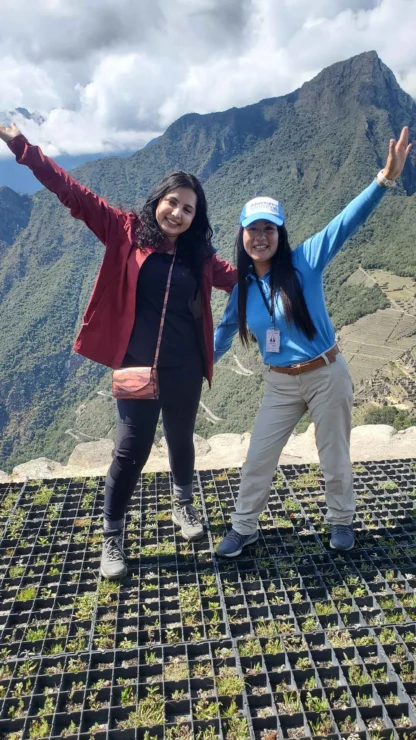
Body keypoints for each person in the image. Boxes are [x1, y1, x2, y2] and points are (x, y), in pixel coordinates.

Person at [0, 122, 237, 579]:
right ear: (158, 201)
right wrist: (23, 148)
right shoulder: (125, 231)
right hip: (137, 367)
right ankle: (112, 537)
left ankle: (183, 506)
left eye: (188, 209)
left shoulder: (200, 258)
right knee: (131, 452)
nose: (178, 213)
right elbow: (73, 192)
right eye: (173, 202)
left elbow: (245, 276)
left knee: (182, 440)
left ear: (196, 217)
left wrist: (285, 261)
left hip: (185, 366)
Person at [213, 127, 411, 557]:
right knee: (258, 458)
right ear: (242, 236)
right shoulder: (243, 288)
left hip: (326, 374)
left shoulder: (304, 262)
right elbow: (223, 334)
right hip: (280, 382)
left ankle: (341, 520)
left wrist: (384, 180)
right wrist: (194, 369)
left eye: (269, 228)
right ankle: (243, 527)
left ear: (281, 233)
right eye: (253, 230)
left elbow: (346, 222)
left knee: (334, 454)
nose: (260, 237)